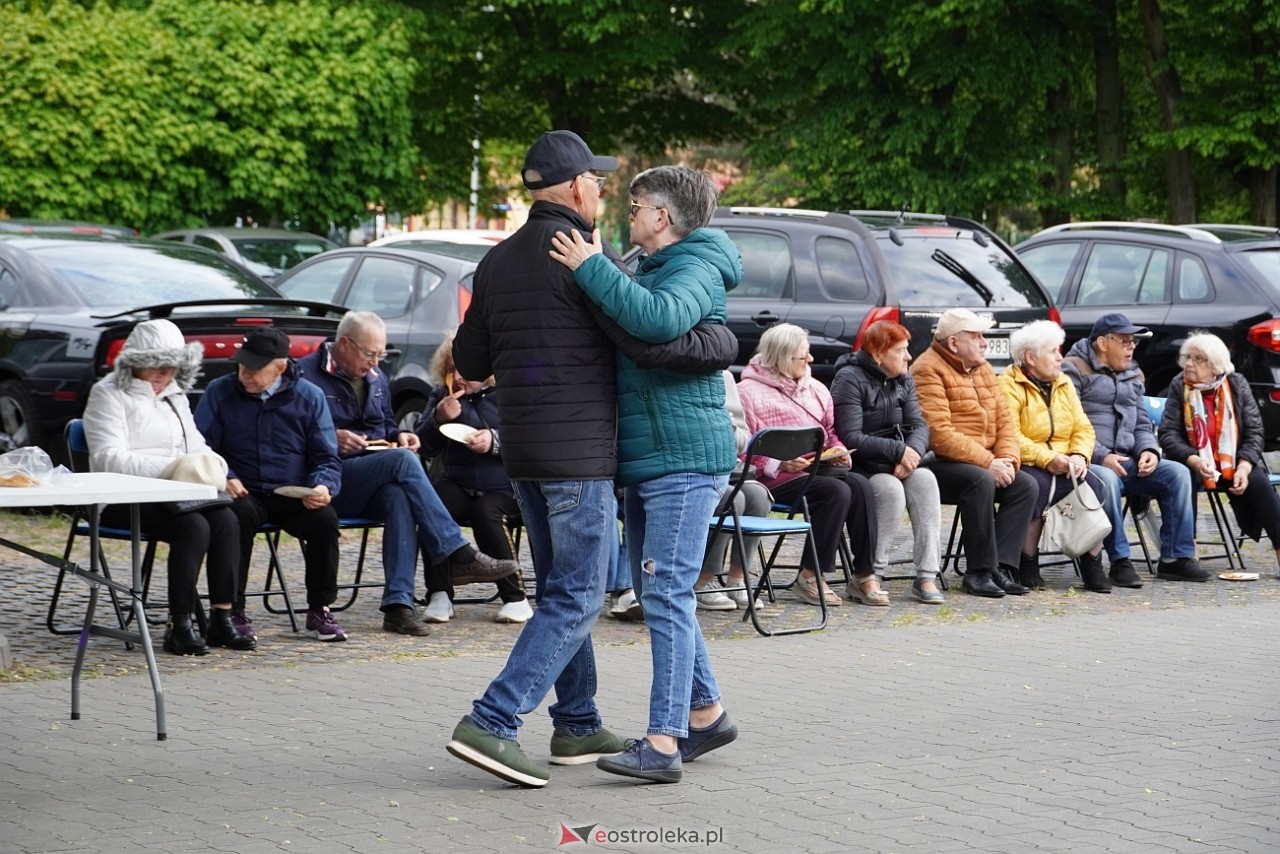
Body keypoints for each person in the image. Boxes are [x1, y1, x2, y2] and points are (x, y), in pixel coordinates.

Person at [445, 132, 737, 789]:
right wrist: (719, 342)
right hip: (580, 455)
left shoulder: (496, 261)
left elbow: (471, 361)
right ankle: (493, 720)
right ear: (577, 186)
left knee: (560, 589)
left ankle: (577, 722)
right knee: (577, 597)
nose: (605, 193)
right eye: (599, 182)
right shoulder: (584, 261)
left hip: (523, 453)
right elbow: (644, 336)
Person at [548, 164, 740, 783]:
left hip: (681, 456)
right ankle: (706, 714)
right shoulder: (655, 264)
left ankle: (662, 743)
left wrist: (592, 266)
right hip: (653, 455)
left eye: (635, 207)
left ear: (662, 216)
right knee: (660, 589)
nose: (627, 215)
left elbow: (657, 319)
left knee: (667, 595)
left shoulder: (695, 266)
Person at [296, 312, 522, 637]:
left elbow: (387, 426)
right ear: (344, 344)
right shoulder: (305, 377)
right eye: (369, 354)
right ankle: (458, 552)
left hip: (373, 476)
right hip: (327, 482)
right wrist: (332, 438)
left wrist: (400, 435)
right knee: (403, 462)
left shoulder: (375, 378)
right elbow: (287, 438)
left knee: (399, 494)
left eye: (380, 354)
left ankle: (398, 605)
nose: (375, 363)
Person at [82, 320, 255, 656]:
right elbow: (108, 458)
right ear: (134, 362)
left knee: (227, 520)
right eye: (155, 364)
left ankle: (222, 618)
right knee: (193, 527)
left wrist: (216, 468)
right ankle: (180, 624)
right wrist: (172, 468)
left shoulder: (174, 395)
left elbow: (196, 446)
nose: (164, 372)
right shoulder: (107, 393)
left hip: (177, 494)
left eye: (172, 365)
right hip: (123, 496)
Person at [194, 326, 348, 642]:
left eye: (254, 368)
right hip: (242, 489)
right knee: (235, 518)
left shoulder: (309, 396)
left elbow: (326, 456)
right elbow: (200, 447)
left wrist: (322, 486)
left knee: (324, 520)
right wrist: (226, 475)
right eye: (241, 365)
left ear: (279, 367)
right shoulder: (220, 392)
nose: (245, 374)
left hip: (290, 493)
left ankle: (320, 608)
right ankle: (232, 610)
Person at [737, 323, 882, 607]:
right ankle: (810, 575)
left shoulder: (816, 389)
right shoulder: (747, 393)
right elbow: (742, 449)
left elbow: (830, 432)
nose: (811, 360)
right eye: (803, 357)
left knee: (861, 485)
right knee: (835, 492)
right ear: (782, 358)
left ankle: (864, 574)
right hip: (772, 480)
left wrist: (838, 450)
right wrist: (777, 463)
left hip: (816, 469)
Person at [1063, 313, 1207, 583]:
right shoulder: (1073, 369)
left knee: (1177, 473)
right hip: (1089, 462)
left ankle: (1176, 559)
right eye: (1125, 341)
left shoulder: (1133, 373)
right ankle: (1120, 561)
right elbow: (1069, 425)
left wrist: (1148, 451)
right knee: (1106, 479)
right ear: (1103, 343)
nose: (1132, 347)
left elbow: (1141, 422)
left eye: (1134, 342)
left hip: (1128, 460)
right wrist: (1102, 456)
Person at [910, 308, 1037, 598]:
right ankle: (978, 572)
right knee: (980, 480)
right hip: (939, 463)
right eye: (976, 336)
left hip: (984, 462)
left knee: (1025, 485)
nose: (984, 342)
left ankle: (1000, 568)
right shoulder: (927, 369)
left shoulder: (982, 368)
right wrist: (989, 462)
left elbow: (1005, 422)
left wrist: (1007, 459)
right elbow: (939, 434)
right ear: (954, 343)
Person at [415, 331, 531, 625]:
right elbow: (423, 447)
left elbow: (530, 440)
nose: (457, 377)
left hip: (505, 487)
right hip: (459, 480)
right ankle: (439, 593)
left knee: (486, 512)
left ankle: (515, 597)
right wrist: (438, 419)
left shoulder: (508, 394)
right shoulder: (441, 397)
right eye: (450, 369)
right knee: (433, 504)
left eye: (463, 370)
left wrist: (494, 441)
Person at [831, 321, 944, 604]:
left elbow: (919, 424)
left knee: (926, 480)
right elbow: (850, 436)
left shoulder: (903, 378)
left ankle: (927, 575)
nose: (908, 356)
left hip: (900, 461)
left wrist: (912, 453)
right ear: (878, 354)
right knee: (890, 490)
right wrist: (898, 452)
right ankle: (870, 575)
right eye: (901, 350)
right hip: (864, 466)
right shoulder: (849, 379)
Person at [998, 321, 1112, 592]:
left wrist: (1079, 456)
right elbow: (1011, 436)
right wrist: (1047, 459)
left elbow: (1083, 428)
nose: (1061, 357)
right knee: (1035, 486)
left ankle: (1092, 563)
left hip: (1066, 459)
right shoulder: (1007, 385)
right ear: (1030, 357)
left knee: (1092, 483)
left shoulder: (1064, 382)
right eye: (1053, 351)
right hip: (1027, 460)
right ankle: (1027, 562)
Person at [1158, 332, 1280, 578]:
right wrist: (1193, 459)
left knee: (1258, 480)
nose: (1189, 364)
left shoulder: (1236, 384)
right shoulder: (1179, 385)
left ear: (1215, 365)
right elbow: (1168, 434)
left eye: (1198, 359)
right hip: (1193, 462)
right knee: (1182, 477)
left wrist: (1244, 465)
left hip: (1231, 462)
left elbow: (1255, 431)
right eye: (1187, 357)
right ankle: (1186, 554)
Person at [694, 370, 772, 611]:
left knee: (759, 496)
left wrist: (729, 429)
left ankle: (737, 580)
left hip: (728, 468)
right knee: (732, 498)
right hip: (694, 469)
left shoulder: (725, 378)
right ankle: (703, 581)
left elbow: (743, 441)